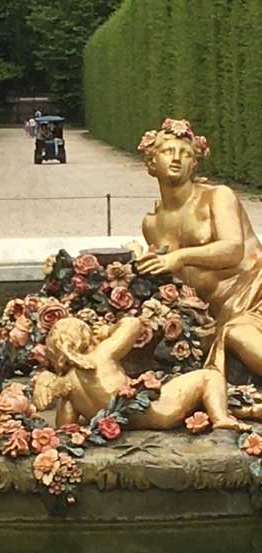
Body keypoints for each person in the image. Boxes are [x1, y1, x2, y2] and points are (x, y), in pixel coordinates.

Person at [136, 118, 262, 378]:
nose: (176, 159)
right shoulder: (151, 224)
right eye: (168, 151)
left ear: (194, 163)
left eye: (186, 154)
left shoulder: (218, 196)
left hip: (255, 290)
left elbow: (233, 249)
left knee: (238, 334)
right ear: (151, 162)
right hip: (217, 314)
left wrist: (178, 257)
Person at [33, 317, 240, 430]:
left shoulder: (67, 386)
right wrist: (108, 330)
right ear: (84, 336)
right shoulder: (101, 354)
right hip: (158, 412)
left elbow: (65, 426)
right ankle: (220, 417)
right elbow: (133, 324)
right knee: (209, 376)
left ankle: (229, 410)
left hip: (120, 425)